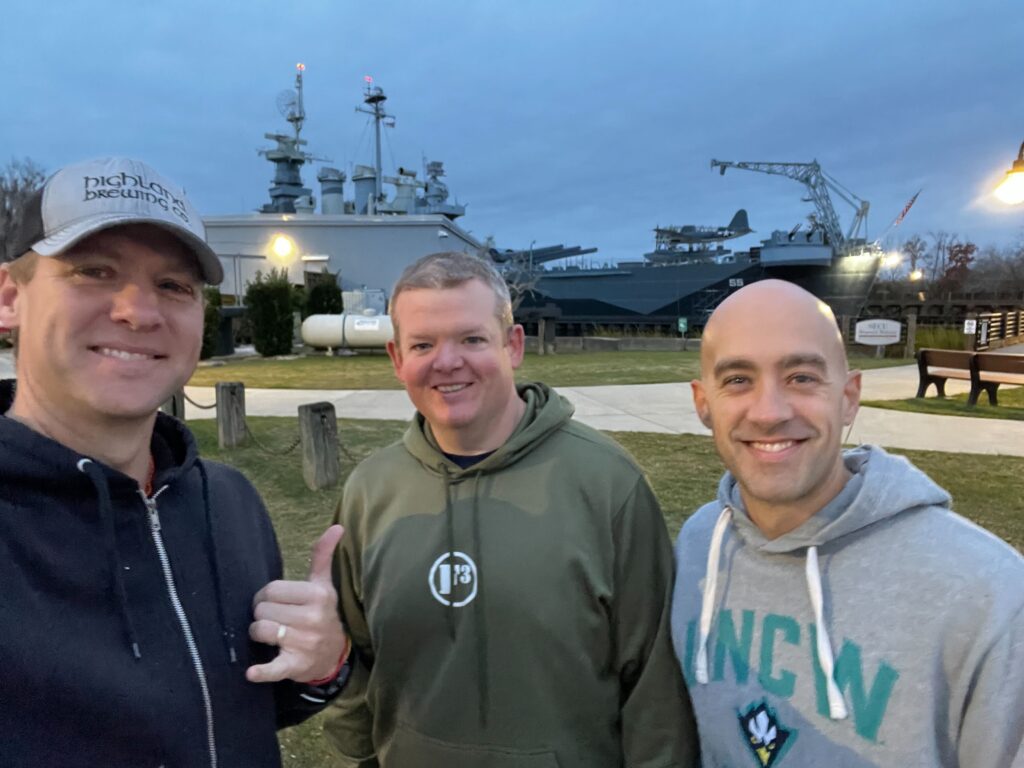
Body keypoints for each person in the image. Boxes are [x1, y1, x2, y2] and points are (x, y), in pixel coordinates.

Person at [0, 157, 351, 767]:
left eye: (173, 285)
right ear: (10, 298)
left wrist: (321, 664)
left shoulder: (229, 501)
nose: (139, 311)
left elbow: (236, 710)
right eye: (94, 271)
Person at [326, 251, 697, 767]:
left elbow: (654, 689)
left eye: (471, 339)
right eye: (423, 345)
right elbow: (350, 653)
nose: (447, 362)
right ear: (397, 358)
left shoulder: (608, 484)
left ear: (512, 344)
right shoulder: (369, 491)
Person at [672, 279, 1024, 767]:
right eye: (737, 380)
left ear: (849, 398)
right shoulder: (697, 546)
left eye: (801, 377)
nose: (770, 412)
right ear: (702, 403)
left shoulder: (990, 593)